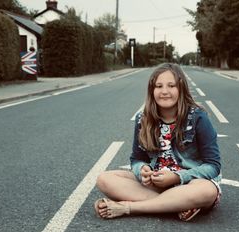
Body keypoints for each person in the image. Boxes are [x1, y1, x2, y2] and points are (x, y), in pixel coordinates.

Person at [94, 63, 222, 221]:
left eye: (171, 85)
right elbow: (137, 159)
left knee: (207, 191)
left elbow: (213, 165)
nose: (165, 91)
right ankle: (175, 205)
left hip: (191, 184)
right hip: (157, 184)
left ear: (181, 89)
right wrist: (143, 169)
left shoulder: (198, 117)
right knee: (104, 179)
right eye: (159, 86)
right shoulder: (143, 119)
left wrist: (176, 177)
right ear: (152, 90)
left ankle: (129, 207)